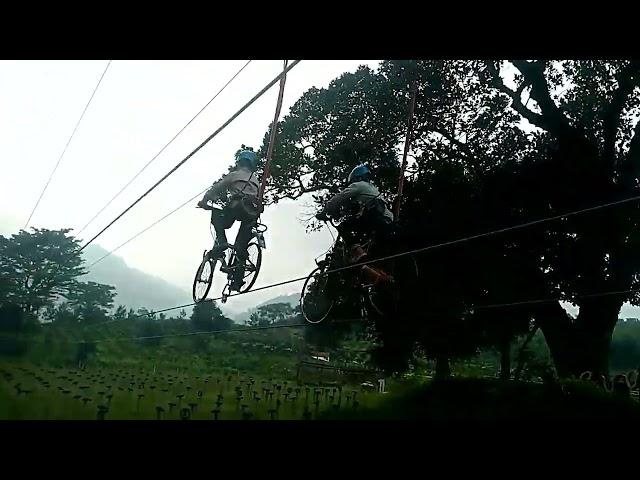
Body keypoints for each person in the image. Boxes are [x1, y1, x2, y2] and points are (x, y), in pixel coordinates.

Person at [197, 149, 263, 290]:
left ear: (239, 162)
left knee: (217, 217)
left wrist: (204, 201)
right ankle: (237, 281)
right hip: (252, 213)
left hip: (237, 208)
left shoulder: (234, 175)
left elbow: (215, 189)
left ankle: (222, 242)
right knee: (241, 247)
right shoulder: (256, 180)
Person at [316, 164, 394, 263]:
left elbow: (339, 198)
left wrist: (325, 210)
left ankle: (359, 254)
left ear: (357, 177)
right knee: (365, 239)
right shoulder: (373, 188)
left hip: (374, 217)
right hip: (387, 219)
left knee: (344, 226)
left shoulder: (359, 185)